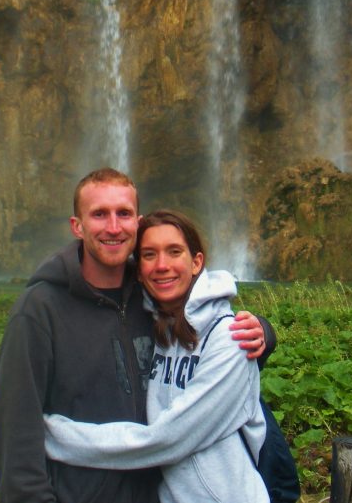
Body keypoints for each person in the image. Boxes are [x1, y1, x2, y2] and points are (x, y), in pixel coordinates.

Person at [0, 169, 274, 503]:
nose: (113, 227)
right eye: (99, 214)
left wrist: (263, 333)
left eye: (123, 213)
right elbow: (15, 435)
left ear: (136, 223)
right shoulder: (39, 310)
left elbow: (206, 329)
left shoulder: (152, 298)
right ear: (77, 226)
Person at [43, 209, 268, 503]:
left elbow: (168, 439)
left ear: (197, 262)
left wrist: (54, 434)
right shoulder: (155, 328)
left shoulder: (231, 337)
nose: (162, 265)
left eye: (174, 251)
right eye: (149, 254)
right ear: (138, 269)